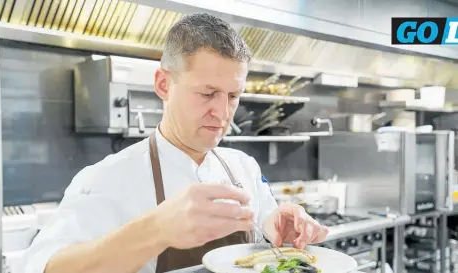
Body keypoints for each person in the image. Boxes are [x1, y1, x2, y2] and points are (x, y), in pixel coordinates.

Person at [20, 13, 329, 273]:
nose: (223, 113)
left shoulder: (243, 167)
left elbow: (265, 232)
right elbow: (44, 265)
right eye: (207, 93)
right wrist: (156, 230)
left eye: (232, 96)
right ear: (164, 84)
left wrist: (278, 226)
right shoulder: (106, 178)